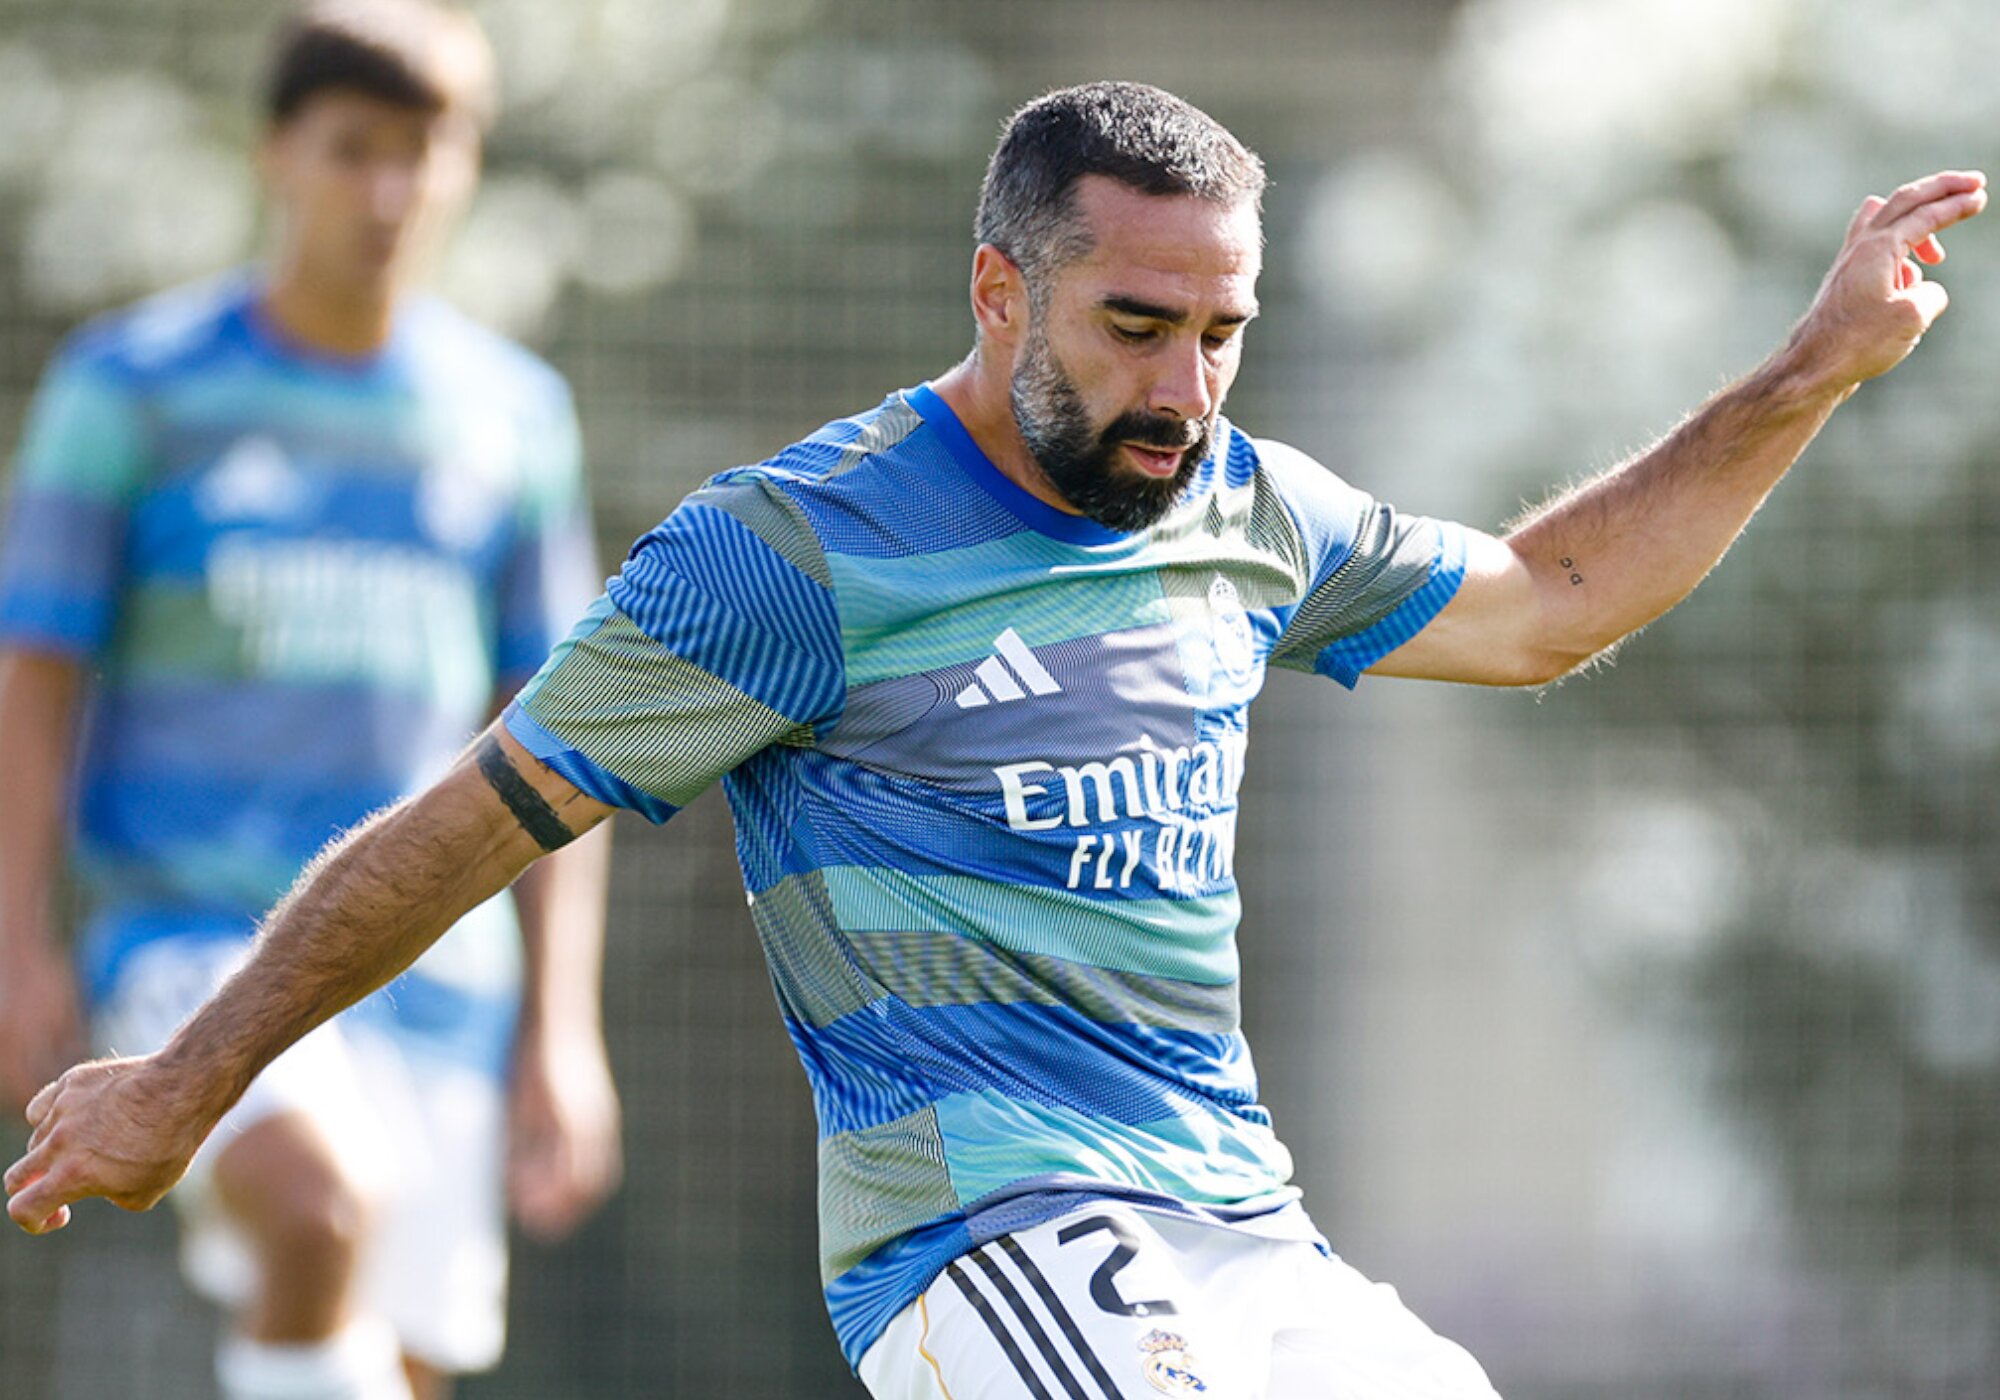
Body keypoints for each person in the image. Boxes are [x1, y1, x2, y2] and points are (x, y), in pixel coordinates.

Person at [5, 80, 1982, 1399]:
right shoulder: (787, 554)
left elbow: (1548, 601)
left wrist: (1808, 374)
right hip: (992, 1233)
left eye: (1222, 334)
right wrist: (186, 1078)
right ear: (998, 287)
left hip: (1247, 1232)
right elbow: (463, 826)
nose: (1184, 385)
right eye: (1135, 325)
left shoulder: (1242, 509)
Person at [0, 3, 620, 1398]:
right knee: (317, 1211)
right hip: (193, 938)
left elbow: (564, 738)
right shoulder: (132, 387)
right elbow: (34, 676)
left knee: (399, 1365)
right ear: (276, 153)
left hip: (440, 975)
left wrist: (562, 1027)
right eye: (354, 150)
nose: (390, 192)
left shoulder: (514, 413)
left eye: (424, 152)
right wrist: (16, 937)